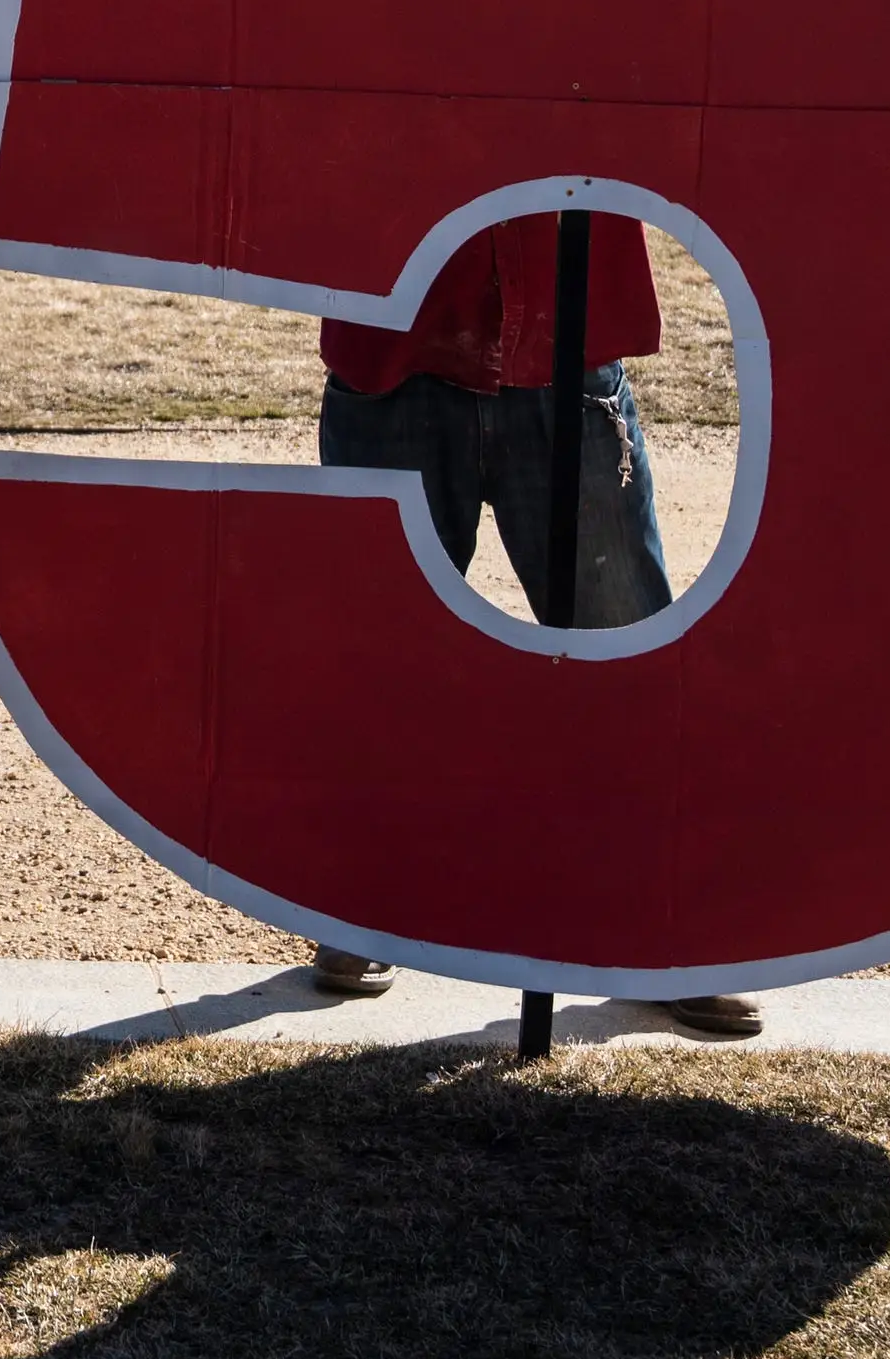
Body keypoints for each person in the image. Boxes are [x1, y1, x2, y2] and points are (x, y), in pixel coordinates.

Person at [304, 214, 764, 1041]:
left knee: (624, 649)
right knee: (381, 659)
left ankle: (659, 926)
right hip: (393, 354)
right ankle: (363, 903)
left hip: (567, 348)